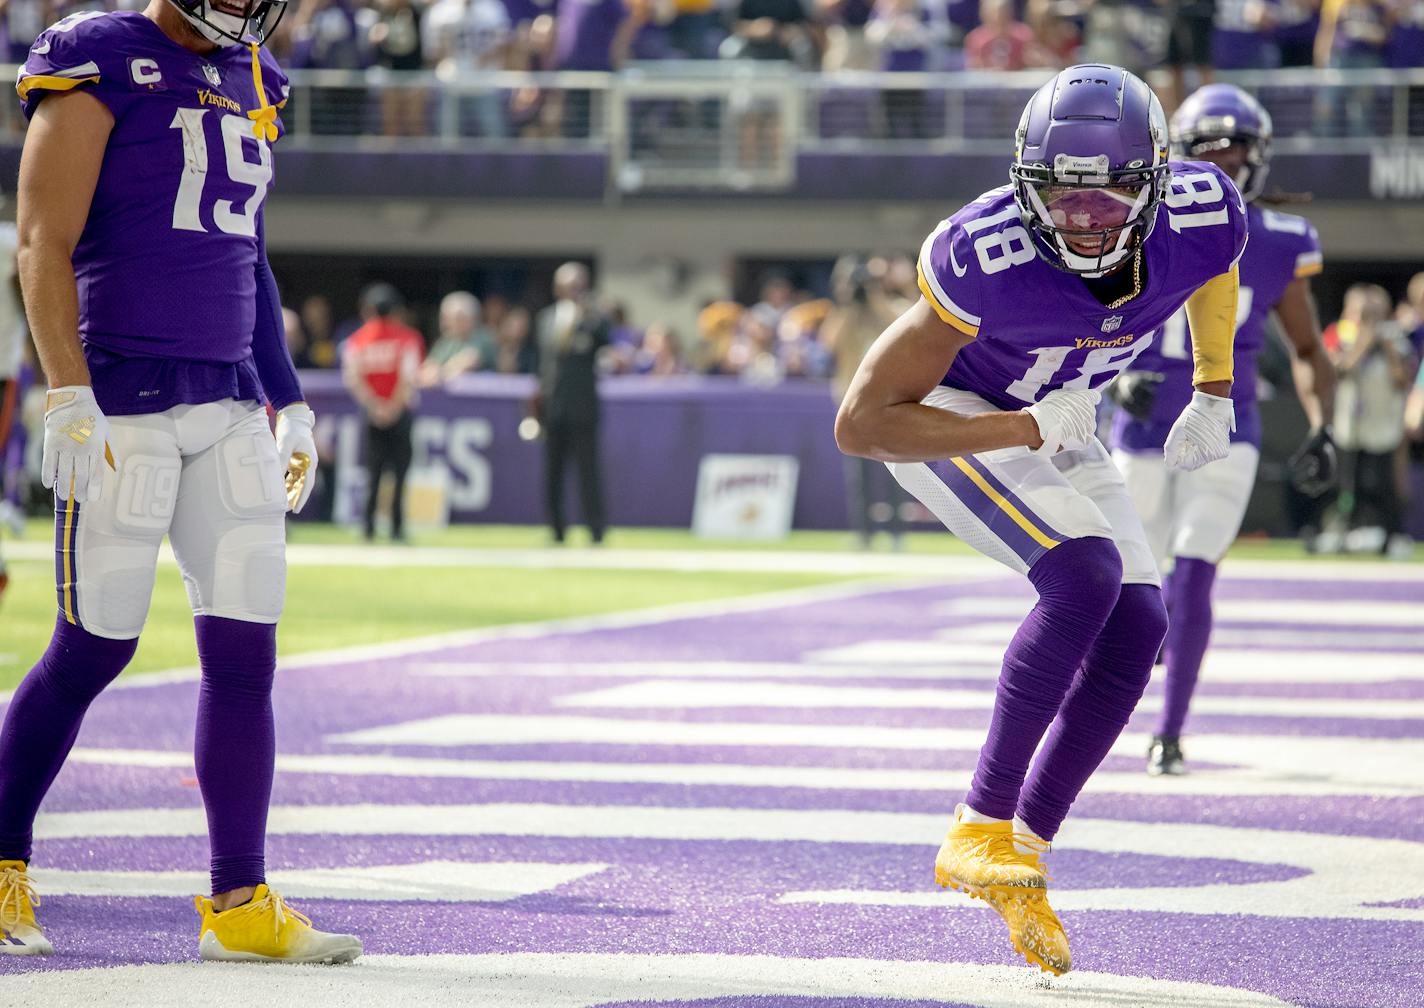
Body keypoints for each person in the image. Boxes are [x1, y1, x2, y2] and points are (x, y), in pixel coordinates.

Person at [835, 65, 1247, 975]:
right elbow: (861, 423)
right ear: (1026, 181)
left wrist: (1213, 387)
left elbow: (1217, 264)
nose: (1087, 218)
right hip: (961, 417)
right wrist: (1020, 426)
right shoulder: (982, 255)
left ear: (1158, 180)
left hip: (1059, 416)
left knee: (1140, 624)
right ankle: (977, 825)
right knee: (1085, 575)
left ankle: (1023, 852)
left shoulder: (1207, 209)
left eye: (1113, 195)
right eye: (1064, 194)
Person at [0, 2, 361, 962]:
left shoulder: (254, 74)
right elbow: (40, 239)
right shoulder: (99, 53)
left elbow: (250, 258)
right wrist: (67, 391)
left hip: (231, 402)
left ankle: (239, 902)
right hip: (122, 398)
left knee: (246, 659)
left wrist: (291, 401)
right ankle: (0, 860)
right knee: (92, 650)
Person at [1107, 85, 1336, 777]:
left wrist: (1324, 427)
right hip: (1142, 424)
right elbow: (1091, 325)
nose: (1224, 164)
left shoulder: (1281, 241)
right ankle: (1132, 680)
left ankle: (1170, 730)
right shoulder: (1135, 225)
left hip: (1227, 424)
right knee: (1133, 581)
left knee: (1196, 567)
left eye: (1235, 151)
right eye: (1210, 150)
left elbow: (1308, 350)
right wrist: (1114, 378)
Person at [534, 262, 608, 544]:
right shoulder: (546, 318)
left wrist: (588, 314)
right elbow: (543, 362)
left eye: (578, 284)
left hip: (583, 406)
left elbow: (605, 339)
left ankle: (596, 529)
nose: (572, 290)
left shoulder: (593, 318)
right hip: (553, 406)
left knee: (588, 471)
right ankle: (556, 529)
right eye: (568, 284)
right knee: (552, 471)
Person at [343, 283, 423, 542]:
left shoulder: (357, 340)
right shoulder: (408, 338)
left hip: (372, 414)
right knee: (400, 473)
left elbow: (353, 378)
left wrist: (375, 406)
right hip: (400, 415)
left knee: (373, 473)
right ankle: (397, 528)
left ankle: (368, 527)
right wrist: (393, 407)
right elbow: (408, 378)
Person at [420, 291, 495, 386]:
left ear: (467, 319)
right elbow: (429, 365)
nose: (445, 324)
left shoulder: (484, 336)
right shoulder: (447, 341)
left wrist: (439, 373)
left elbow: (469, 361)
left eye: (449, 319)